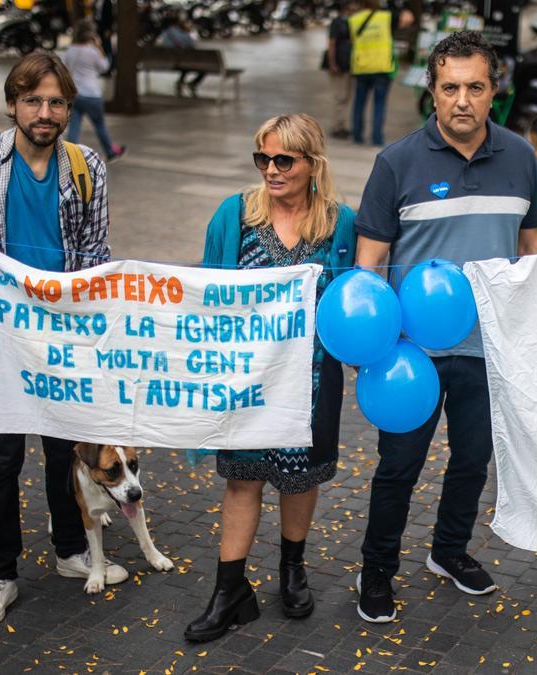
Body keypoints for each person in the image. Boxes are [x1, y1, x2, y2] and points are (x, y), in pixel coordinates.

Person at [353, 31, 537, 623]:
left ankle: (449, 551)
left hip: (487, 350)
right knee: (398, 467)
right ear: (432, 92)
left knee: (472, 461)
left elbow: (532, 250)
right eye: (450, 87)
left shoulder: (519, 159)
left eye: (475, 87)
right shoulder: (396, 163)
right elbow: (367, 267)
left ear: (494, 93)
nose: (462, 100)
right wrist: (374, 349)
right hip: (411, 355)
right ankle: (377, 569)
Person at [0, 52, 113, 631]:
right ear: (13, 103)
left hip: (61, 334)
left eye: (56, 101)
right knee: (2, 459)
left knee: (65, 449)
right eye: (33, 100)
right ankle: (0, 575)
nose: (45, 112)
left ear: (69, 107)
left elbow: (95, 257)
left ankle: (70, 549)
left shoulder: (86, 166)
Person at [183, 114, 357, 643]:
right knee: (242, 478)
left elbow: (352, 299)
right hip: (247, 378)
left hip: (312, 380)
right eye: (263, 159)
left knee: (299, 478)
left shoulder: (339, 222)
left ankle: (291, 570)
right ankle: (229, 590)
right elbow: (207, 290)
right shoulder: (234, 215)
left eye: (284, 160)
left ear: (312, 163)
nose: (272, 170)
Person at [62, 19, 126, 162]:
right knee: (99, 125)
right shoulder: (92, 52)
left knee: (74, 127)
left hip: (75, 95)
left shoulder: (70, 50)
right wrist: (100, 47)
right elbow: (105, 67)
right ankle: (110, 151)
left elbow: (67, 69)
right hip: (92, 95)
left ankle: (67, 154)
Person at [348, 0, 394, 146]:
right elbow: (408, 18)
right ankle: (377, 138)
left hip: (362, 67)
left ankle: (357, 135)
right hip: (381, 67)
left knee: (359, 102)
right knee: (379, 104)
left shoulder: (353, 20)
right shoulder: (386, 17)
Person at [324, 0, 357, 139]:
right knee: (340, 97)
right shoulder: (337, 22)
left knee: (346, 97)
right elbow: (331, 44)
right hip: (339, 64)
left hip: (350, 65)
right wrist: (332, 63)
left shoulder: (354, 21)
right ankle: (338, 126)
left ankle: (342, 125)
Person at [158, 14, 204, 97]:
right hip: (182, 61)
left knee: (184, 63)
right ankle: (193, 83)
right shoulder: (182, 33)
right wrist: (187, 31)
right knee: (202, 66)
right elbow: (192, 45)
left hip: (170, 61)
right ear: (176, 22)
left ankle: (180, 82)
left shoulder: (164, 33)